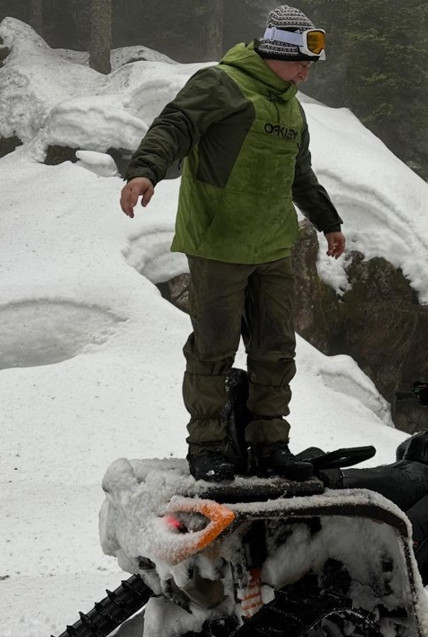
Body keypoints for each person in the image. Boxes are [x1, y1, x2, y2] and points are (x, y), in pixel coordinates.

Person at [119, 5, 346, 483]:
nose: (306, 71)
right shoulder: (220, 83)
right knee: (213, 349)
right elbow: (175, 125)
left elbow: (299, 174)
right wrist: (145, 170)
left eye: (310, 65)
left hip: (272, 245)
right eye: (300, 62)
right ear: (275, 52)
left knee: (275, 349)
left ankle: (269, 447)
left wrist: (328, 222)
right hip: (218, 242)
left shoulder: (292, 106)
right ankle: (206, 446)